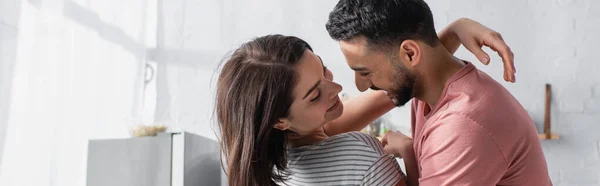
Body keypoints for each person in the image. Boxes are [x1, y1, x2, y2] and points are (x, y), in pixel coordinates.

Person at [215, 19, 515, 186]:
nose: (337, 87)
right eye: (315, 94)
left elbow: (400, 81)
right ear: (280, 120)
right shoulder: (357, 153)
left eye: (323, 70)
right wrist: (409, 152)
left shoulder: (265, 164)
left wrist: (451, 33)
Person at [325, 0, 551, 185]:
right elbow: (325, 128)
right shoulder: (426, 87)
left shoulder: (462, 124)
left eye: (365, 72)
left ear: (411, 55)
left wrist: (408, 153)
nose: (361, 86)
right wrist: (452, 32)